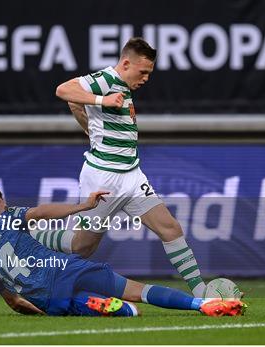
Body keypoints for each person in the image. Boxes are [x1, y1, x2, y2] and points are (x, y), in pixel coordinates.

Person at [55, 37, 207, 298]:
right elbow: (63, 91)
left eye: (149, 73)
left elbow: (76, 104)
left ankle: (202, 292)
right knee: (81, 247)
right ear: (126, 63)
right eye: (143, 72)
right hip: (103, 178)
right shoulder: (106, 80)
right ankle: (32, 232)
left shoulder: (122, 88)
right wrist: (102, 102)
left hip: (132, 176)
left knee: (170, 228)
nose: (146, 78)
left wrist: (94, 128)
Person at [0, 188, 246, 317]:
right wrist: (82, 207)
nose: (7, 207)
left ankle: (107, 308)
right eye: (4, 205)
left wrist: (42, 313)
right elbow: (41, 212)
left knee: (70, 304)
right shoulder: (7, 217)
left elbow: (14, 302)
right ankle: (201, 304)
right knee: (137, 289)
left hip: (44, 295)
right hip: (64, 267)